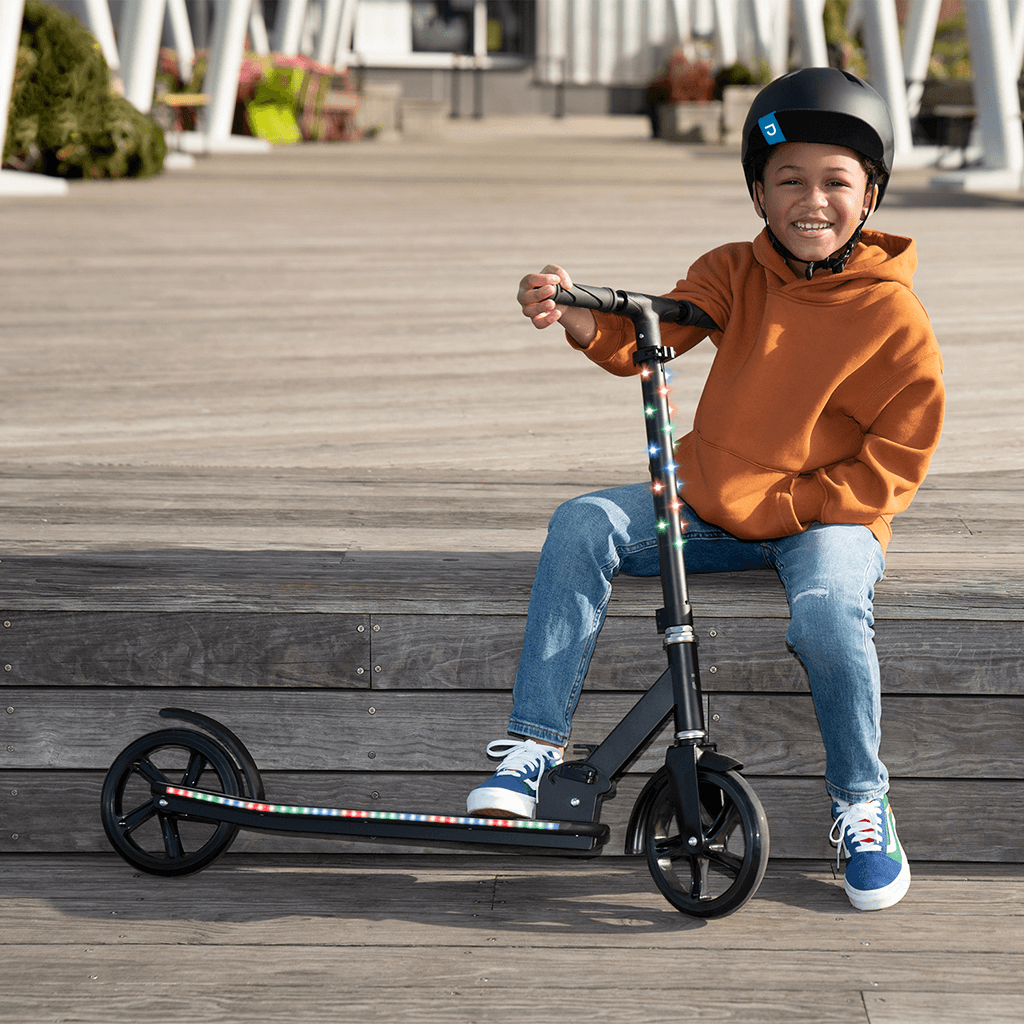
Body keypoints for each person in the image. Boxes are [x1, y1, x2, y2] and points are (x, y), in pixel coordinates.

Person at [467, 68, 944, 913]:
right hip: (714, 507)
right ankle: (533, 750)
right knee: (582, 522)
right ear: (759, 193)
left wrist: (794, 507)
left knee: (831, 610)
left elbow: (898, 456)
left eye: (836, 181)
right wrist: (578, 315)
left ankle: (862, 803)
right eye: (788, 179)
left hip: (828, 519)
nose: (812, 199)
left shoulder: (892, 316)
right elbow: (660, 329)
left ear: (869, 195)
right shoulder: (734, 270)